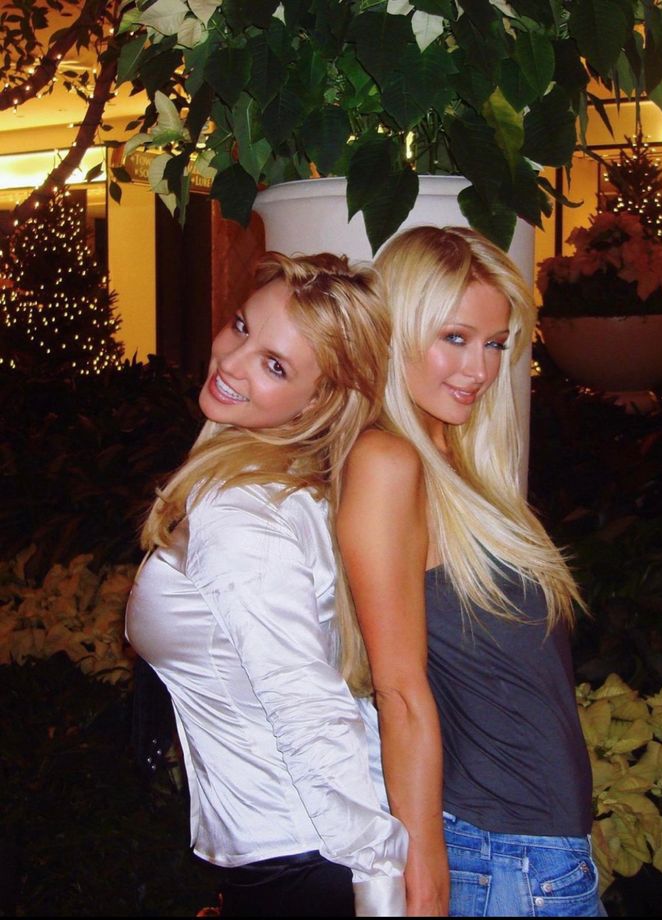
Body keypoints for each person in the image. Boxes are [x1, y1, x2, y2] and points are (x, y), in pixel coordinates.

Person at [125, 251, 407, 918]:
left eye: (276, 365)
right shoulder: (274, 477)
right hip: (294, 850)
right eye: (242, 327)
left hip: (304, 856)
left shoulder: (239, 512)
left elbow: (306, 704)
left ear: (322, 399)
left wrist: (379, 888)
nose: (232, 360)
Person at [337, 226, 601, 918]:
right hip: (497, 856)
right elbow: (399, 692)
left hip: (534, 852)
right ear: (395, 330)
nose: (479, 370)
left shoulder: (460, 469)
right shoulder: (389, 464)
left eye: (494, 344)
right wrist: (424, 888)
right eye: (454, 338)